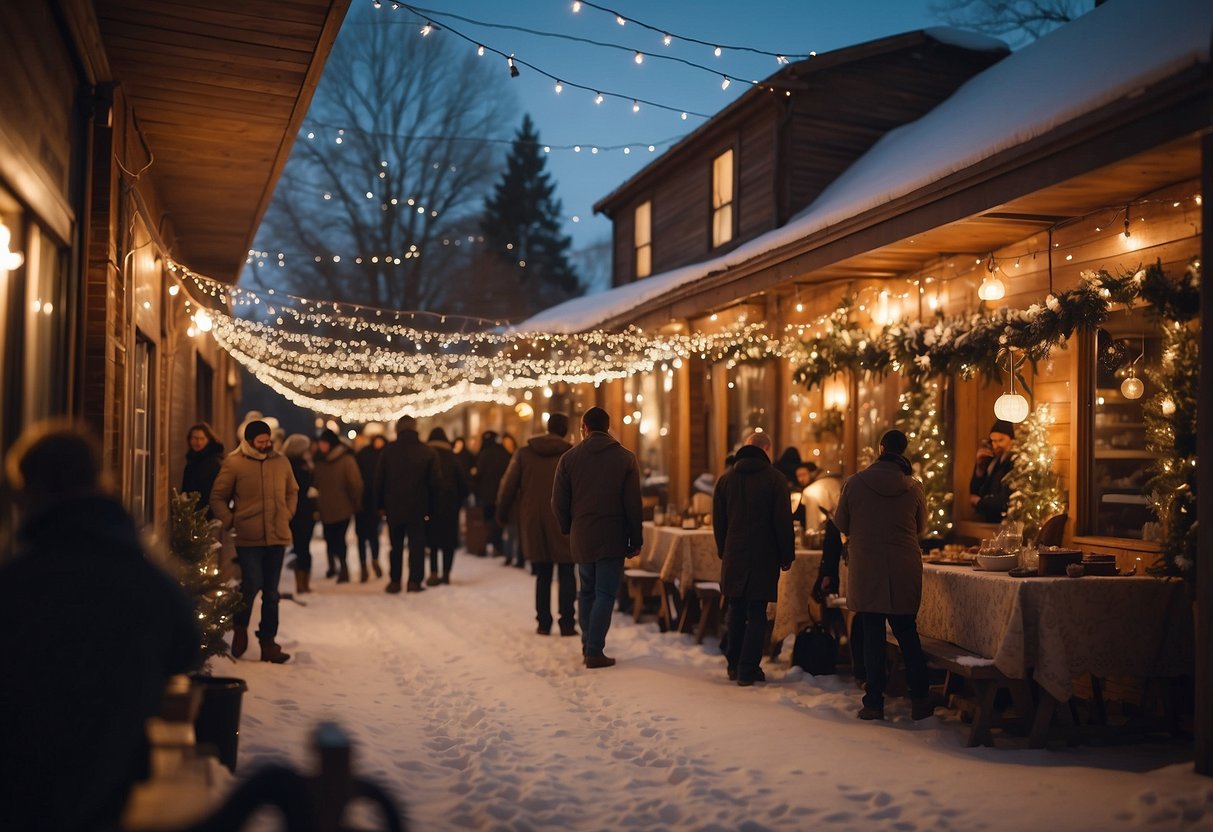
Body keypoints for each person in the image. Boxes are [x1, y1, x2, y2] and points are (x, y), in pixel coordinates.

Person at [0, 423, 199, 832]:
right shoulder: (139, 574)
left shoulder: (17, 580)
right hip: (109, 782)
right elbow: (185, 649)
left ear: (28, 491)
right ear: (98, 480)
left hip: (19, 790)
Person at [833, 428, 931, 721]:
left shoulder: (855, 483)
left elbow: (841, 523)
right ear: (903, 452)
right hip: (903, 566)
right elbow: (921, 527)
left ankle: (874, 701)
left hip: (867, 566)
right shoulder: (913, 487)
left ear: (880, 448)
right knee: (907, 633)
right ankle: (921, 698)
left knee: (872, 634)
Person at [552, 407, 643, 669]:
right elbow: (633, 504)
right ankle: (594, 649)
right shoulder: (625, 458)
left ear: (584, 428)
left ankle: (588, 644)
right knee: (605, 593)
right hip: (613, 536)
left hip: (582, 534)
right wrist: (635, 539)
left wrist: (568, 527)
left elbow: (558, 501)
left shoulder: (569, 459)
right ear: (609, 426)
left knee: (587, 591)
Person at [211, 419, 298, 663]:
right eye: (261, 441)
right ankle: (240, 627)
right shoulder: (235, 463)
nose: (266, 444)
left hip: (277, 535)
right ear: (249, 441)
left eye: (267, 440)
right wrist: (231, 521)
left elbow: (293, 490)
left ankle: (268, 643)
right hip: (249, 537)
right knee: (252, 585)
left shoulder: (280, 461)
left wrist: (287, 513)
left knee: (271, 593)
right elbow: (217, 496)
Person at [712, 431, 795, 686]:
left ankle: (733, 665)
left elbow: (719, 522)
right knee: (757, 612)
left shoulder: (726, 480)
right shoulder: (775, 480)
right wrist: (786, 554)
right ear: (766, 450)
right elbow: (783, 521)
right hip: (764, 554)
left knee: (735, 609)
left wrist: (723, 549)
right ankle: (749, 667)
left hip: (734, 553)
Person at [497, 413, 577, 636]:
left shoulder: (524, 453)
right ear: (564, 430)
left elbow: (508, 485)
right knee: (567, 571)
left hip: (534, 519)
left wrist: (501, 513)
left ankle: (543, 622)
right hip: (564, 519)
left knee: (542, 572)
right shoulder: (571, 453)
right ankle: (567, 623)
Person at [375, 415, 441, 593]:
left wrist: (380, 505)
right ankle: (414, 581)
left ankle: (395, 581)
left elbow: (379, 480)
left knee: (395, 546)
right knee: (416, 546)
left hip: (393, 507)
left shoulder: (388, 451)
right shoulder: (427, 452)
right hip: (419, 508)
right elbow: (435, 483)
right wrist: (432, 509)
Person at [312, 429, 364, 584]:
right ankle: (333, 566)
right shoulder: (319, 461)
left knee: (339, 539)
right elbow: (316, 483)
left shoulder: (346, 460)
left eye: (323, 443)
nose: (321, 446)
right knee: (330, 538)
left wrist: (356, 502)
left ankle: (343, 568)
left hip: (343, 507)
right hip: (327, 507)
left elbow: (355, 484)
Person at [426, 427, 469, 585]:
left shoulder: (427, 455)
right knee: (448, 541)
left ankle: (433, 572)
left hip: (431, 505)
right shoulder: (453, 457)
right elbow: (464, 483)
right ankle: (446, 573)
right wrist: (457, 501)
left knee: (433, 541)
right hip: (450, 505)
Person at [283, 433, 316, 594]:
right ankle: (302, 583)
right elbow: (303, 488)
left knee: (299, 547)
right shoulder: (300, 467)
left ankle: (302, 583)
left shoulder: (288, 464)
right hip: (302, 511)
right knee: (303, 547)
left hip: (297, 511)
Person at [472, 430, 512, 558]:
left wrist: (476, 492)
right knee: (498, 520)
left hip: (485, 495)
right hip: (501, 494)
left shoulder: (483, 454)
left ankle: (484, 545)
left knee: (487, 521)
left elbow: (478, 476)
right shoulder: (504, 454)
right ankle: (497, 546)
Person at [354, 433, 388, 582]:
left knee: (373, 535)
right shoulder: (363, 454)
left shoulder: (385, 453)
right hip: (363, 501)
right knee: (362, 536)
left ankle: (374, 560)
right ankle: (363, 566)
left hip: (375, 502)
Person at [970, 419, 1016, 522]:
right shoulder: (993, 462)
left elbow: (1005, 501)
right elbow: (974, 491)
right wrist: (979, 467)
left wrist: (979, 502)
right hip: (991, 521)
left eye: (1000, 440)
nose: (996, 445)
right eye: (993, 441)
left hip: (1005, 522)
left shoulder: (1014, 462)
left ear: (1012, 440)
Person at [182, 421, 225, 516]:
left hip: (207, 514)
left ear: (208, 440)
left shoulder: (214, 462)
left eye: (202, 438)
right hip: (192, 513)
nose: (198, 442)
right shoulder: (192, 459)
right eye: (195, 438)